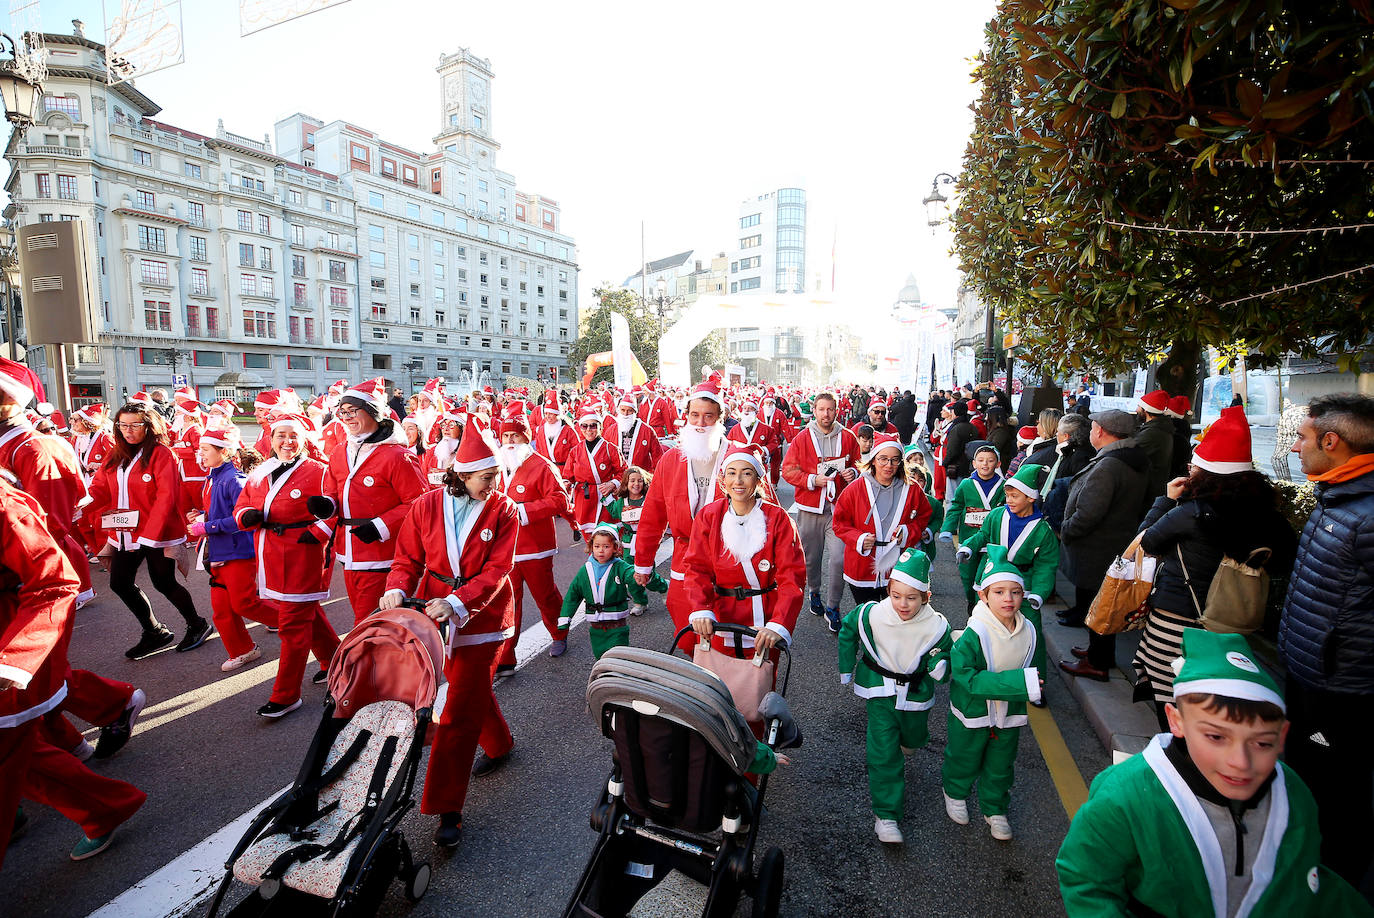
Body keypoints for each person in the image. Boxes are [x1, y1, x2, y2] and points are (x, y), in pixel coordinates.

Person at [1057, 629, 1369, 916]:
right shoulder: (1125, 796)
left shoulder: (1293, 794)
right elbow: (1087, 879)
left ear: (1282, 735)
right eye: (1217, 737)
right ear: (1176, 721)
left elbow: (1311, 884)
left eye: (1262, 743)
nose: (1241, 762)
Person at [380, 418, 519, 851]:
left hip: (483, 616)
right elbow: (407, 557)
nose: (494, 485)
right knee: (468, 690)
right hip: (434, 609)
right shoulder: (426, 505)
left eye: (496, 476)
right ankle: (500, 743)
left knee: (457, 711)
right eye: (486, 477)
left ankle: (446, 807)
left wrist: (459, 602)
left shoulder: (504, 509)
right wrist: (396, 586)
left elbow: (498, 569)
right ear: (461, 474)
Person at [0, 472, 146, 866]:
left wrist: (14, 660)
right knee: (21, 753)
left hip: (13, 640)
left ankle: (113, 709)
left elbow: (52, 572)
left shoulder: (14, 485)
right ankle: (101, 802)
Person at [1128, 408, 1296, 730]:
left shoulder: (1190, 513)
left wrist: (1166, 500)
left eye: (1193, 466)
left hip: (1176, 622)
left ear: (1204, 472)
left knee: (1173, 704)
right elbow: (1284, 561)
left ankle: (1180, 756)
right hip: (1233, 626)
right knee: (1211, 704)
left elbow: (1145, 542)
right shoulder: (1270, 518)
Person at [1279, 392, 1374, 888]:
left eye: (1302, 438)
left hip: (1342, 691)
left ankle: (1332, 889)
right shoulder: (1338, 494)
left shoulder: (1366, 512)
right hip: (1312, 675)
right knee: (1308, 782)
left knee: (1337, 797)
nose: (1296, 448)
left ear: (1332, 442)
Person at [837, 548, 952, 844]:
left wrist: (940, 665)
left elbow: (942, 651)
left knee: (913, 738)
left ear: (926, 597)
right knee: (883, 752)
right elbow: (848, 629)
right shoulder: (873, 614)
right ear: (888, 590)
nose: (902, 604)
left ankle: (910, 742)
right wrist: (846, 666)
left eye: (912, 598)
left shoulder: (937, 625)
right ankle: (886, 816)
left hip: (916, 695)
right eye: (896, 595)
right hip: (880, 691)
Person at [82, 402, 210, 659]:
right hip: (124, 529)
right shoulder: (116, 452)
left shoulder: (162, 454)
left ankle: (197, 624)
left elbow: (166, 497)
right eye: (123, 425)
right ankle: (154, 631)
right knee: (120, 582)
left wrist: (149, 536)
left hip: (158, 532)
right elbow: (99, 488)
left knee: (163, 582)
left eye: (135, 425)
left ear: (148, 426)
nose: (128, 431)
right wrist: (78, 506)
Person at [234, 414, 340, 718]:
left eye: (293, 436)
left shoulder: (319, 470)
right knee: (307, 614)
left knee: (293, 623)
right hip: (269, 553)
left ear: (304, 440)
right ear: (271, 439)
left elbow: (335, 508)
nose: (287, 441)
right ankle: (336, 661)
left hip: (303, 555)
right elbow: (242, 503)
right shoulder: (261, 470)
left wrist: (317, 532)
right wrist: (247, 516)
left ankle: (286, 695)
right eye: (281, 435)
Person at [941, 546, 1043, 841]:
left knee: (1001, 764)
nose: (1008, 599)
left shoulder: (1028, 629)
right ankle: (955, 792)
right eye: (999, 592)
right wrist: (1020, 684)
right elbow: (968, 678)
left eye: (1015, 592)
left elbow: (1032, 666)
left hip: (1009, 713)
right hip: (972, 711)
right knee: (964, 756)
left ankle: (995, 807)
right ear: (983, 596)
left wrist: (1035, 684)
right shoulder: (974, 633)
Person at [634, 376, 734, 649]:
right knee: (687, 635)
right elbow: (652, 515)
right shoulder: (671, 460)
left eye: (708, 416)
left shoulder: (738, 457)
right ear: (686, 416)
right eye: (695, 415)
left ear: (720, 418)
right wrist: (643, 562)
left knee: (726, 635)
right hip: (685, 557)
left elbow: (768, 514)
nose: (700, 423)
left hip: (729, 556)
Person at [322, 378, 428, 625]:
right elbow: (333, 489)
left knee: (368, 623)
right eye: (343, 412)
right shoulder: (340, 451)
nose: (347, 417)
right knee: (366, 619)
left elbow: (418, 503)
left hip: (382, 554)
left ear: (373, 413)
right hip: (348, 551)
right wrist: (328, 504)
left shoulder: (398, 456)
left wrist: (380, 525)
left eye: (352, 411)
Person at [680, 449, 805, 659]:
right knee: (718, 675)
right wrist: (701, 609)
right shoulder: (709, 516)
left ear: (758, 480)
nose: (738, 481)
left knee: (761, 676)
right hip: (719, 619)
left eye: (747, 473)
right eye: (731, 473)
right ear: (723, 479)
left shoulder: (779, 518)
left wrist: (778, 624)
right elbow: (696, 568)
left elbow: (792, 576)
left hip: (764, 621)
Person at [1058, 410, 1150, 682]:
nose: (1090, 432)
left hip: (1097, 547)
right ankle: (1099, 653)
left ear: (1100, 431)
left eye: (1092, 428)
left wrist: (1067, 530)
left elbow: (1088, 513)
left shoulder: (1109, 465)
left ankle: (1097, 662)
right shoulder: (1129, 459)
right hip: (1113, 543)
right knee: (1102, 602)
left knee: (1098, 605)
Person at [189, 422, 280, 672]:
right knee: (221, 610)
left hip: (238, 552)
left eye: (205, 449)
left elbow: (244, 519)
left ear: (224, 451)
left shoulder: (235, 480)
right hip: (219, 552)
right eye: (200, 449)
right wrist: (202, 516)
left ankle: (298, 622)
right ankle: (243, 650)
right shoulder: (213, 477)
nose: (200, 454)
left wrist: (207, 527)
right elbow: (220, 512)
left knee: (244, 603)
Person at [956, 463, 1057, 679]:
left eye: (1014, 496)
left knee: (1031, 632)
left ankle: (1034, 680)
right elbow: (983, 536)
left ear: (1030, 498)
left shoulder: (1043, 530)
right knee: (983, 624)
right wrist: (968, 547)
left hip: (1024, 587)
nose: (1008, 500)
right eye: (1008, 495)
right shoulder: (996, 515)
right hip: (992, 580)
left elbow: (1046, 565)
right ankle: (980, 669)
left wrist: (1039, 593)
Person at [494, 410, 571, 667]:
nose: (510, 441)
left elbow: (560, 500)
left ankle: (559, 634)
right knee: (508, 602)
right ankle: (506, 657)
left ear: (525, 438)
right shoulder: (496, 465)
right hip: (505, 548)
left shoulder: (541, 465)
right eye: (506, 435)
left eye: (515, 435)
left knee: (545, 596)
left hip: (536, 547)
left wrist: (523, 511)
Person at [831, 434, 932, 624]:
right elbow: (839, 523)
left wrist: (908, 531)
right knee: (867, 617)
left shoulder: (912, 489)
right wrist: (858, 538)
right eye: (883, 459)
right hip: (862, 565)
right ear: (873, 460)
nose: (889, 465)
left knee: (894, 619)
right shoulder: (855, 489)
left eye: (895, 460)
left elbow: (923, 517)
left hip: (898, 565)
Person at [781, 392, 862, 624]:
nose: (826, 414)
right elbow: (788, 470)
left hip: (840, 510)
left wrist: (853, 472)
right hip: (810, 508)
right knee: (811, 558)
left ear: (837, 410)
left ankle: (834, 606)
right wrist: (812, 480)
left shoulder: (848, 436)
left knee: (839, 559)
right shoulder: (802, 438)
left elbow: (859, 464)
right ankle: (814, 591)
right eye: (822, 409)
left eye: (830, 409)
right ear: (814, 410)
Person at [558, 523, 665, 659]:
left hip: (617, 625)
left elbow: (631, 574)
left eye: (606, 546)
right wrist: (565, 618)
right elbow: (573, 595)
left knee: (618, 658)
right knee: (600, 657)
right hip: (595, 627)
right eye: (597, 546)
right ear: (591, 547)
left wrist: (640, 575)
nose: (601, 551)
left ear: (615, 547)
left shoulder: (620, 567)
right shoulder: (585, 570)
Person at [940, 443, 1006, 606]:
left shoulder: (1004, 486)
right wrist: (947, 528)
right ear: (974, 463)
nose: (985, 464)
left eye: (990, 460)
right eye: (981, 460)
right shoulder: (966, 484)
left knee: (987, 577)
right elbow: (956, 507)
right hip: (968, 538)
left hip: (992, 541)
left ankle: (983, 606)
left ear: (998, 464)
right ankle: (971, 601)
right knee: (968, 576)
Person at [563, 412, 626, 542]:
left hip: (605, 497)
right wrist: (566, 483)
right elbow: (568, 475)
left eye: (593, 425)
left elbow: (624, 471)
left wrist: (613, 483)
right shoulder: (575, 451)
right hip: (584, 499)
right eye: (584, 426)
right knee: (589, 538)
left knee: (608, 537)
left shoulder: (610, 448)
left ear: (600, 427)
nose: (588, 430)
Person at [606, 467, 652, 609]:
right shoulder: (622, 501)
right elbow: (614, 512)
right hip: (628, 542)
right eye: (632, 481)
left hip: (645, 542)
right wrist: (606, 496)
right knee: (631, 575)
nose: (636, 484)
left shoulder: (649, 500)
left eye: (640, 481)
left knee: (648, 574)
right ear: (626, 483)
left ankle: (662, 586)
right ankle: (640, 602)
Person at [603, 394, 663, 472]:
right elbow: (604, 456)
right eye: (623, 410)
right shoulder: (610, 431)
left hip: (641, 476)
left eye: (629, 410)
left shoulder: (647, 430)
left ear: (635, 412)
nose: (625, 414)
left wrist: (653, 475)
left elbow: (657, 456)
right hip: (618, 476)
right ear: (618, 410)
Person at [1135, 389, 1175, 501]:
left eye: (1139, 406)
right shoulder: (1159, 429)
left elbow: (1130, 452)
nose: (1136, 409)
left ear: (1146, 410)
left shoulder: (1152, 433)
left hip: (1148, 491)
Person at [941, 401, 978, 508]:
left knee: (952, 498)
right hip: (969, 466)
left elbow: (952, 450)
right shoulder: (972, 427)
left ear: (956, 412)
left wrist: (945, 463)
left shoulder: (956, 428)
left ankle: (952, 518)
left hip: (955, 468)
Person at [984, 407, 1016, 473]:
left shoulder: (1001, 432)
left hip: (998, 466)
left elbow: (995, 448)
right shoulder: (998, 431)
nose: (985, 419)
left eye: (988, 416)